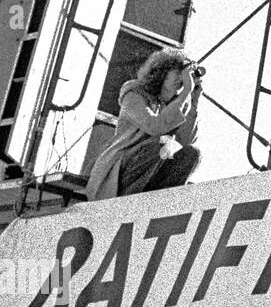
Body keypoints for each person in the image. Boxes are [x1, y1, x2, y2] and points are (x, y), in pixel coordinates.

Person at [85, 48, 202, 201]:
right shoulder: (134, 94)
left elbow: (186, 142)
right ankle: (128, 202)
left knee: (193, 153)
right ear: (162, 72)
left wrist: (194, 101)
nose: (182, 79)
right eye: (179, 72)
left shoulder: (174, 105)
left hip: (152, 171)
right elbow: (154, 126)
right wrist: (186, 91)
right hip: (121, 171)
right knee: (163, 144)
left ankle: (157, 203)